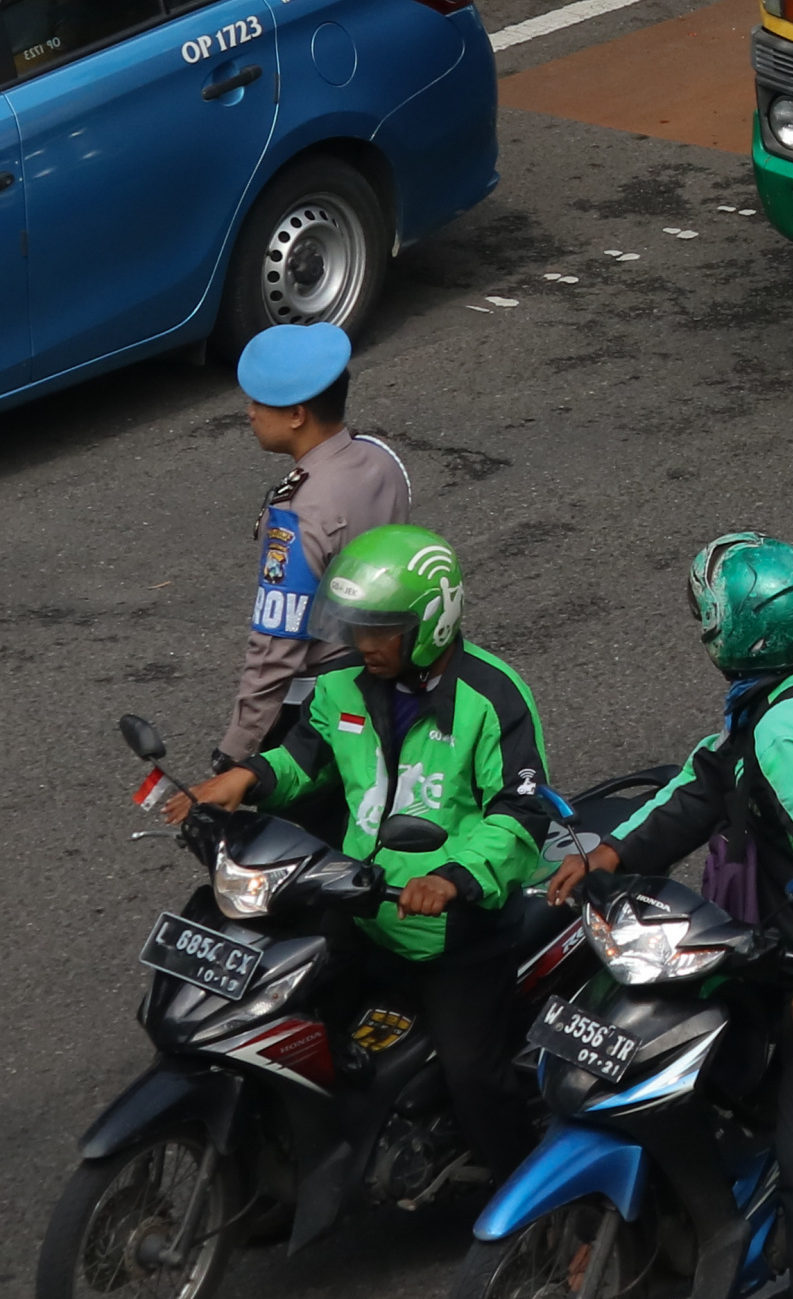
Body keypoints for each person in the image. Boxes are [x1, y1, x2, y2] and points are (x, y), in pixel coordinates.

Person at [552, 536, 793, 1299]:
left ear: (737, 632)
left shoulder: (787, 736)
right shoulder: (775, 698)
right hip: (769, 938)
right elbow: (703, 783)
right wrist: (611, 854)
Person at [163, 526, 549, 1180]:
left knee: (474, 1082)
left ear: (430, 623)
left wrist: (453, 878)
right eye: (355, 626)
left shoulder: (492, 698)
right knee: (285, 1023)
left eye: (379, 629)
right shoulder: (343, 684)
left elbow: (521, 815)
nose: (361, 642)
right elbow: (309, 759)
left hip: (455, 934)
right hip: (358, 900)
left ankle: (545, 1212)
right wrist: (249, 778)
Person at [221, 320, 414, 763]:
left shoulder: (300, 514)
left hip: (318, 709)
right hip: (390, 676)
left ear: (297, 415)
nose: (250, 412)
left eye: (260, 402)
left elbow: (276, 648)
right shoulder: (380, 458)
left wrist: (237, 749)